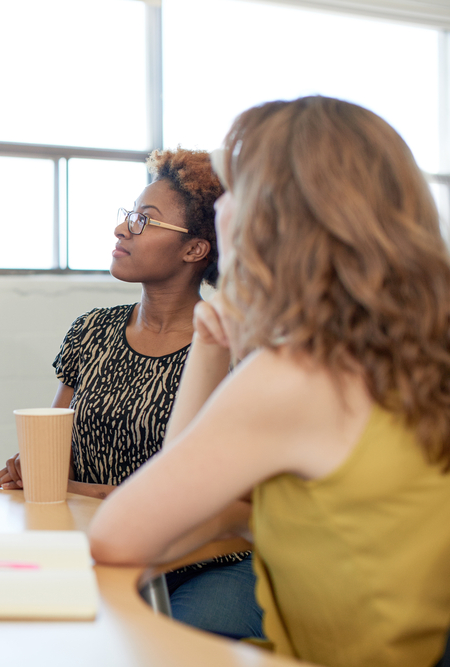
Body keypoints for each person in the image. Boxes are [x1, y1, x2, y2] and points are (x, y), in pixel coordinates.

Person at [88, 97, 450, 667]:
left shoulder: (297, 375)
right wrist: (245, 516)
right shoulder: (421, 350)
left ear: (271, 218)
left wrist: (211, 344)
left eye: (234, 193)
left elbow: (119, 536)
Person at [0, 148, 262, 639]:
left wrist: (90, 493)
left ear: (195, 250)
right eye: (127, 215)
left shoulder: (229, 349)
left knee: (157, 641)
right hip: (102, 547)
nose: (122, 229)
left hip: (208, 563)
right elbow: (53, 451)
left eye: (144, 221)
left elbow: (229, 502)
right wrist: (31, 467)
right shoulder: (92, 330)